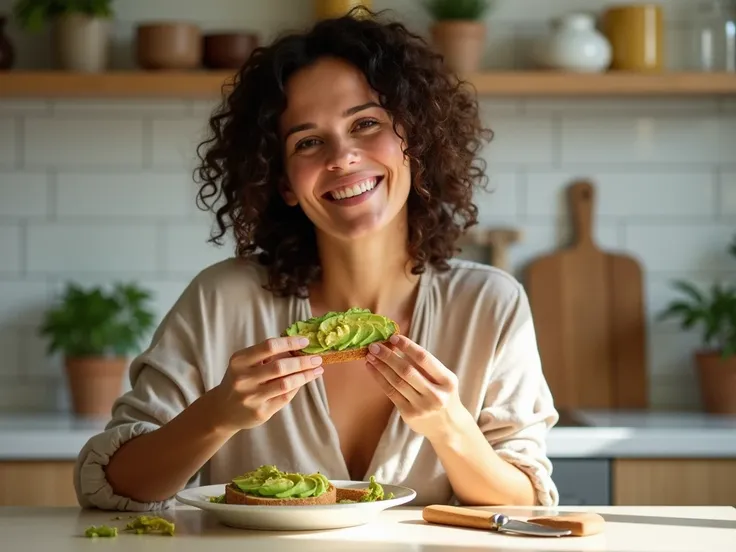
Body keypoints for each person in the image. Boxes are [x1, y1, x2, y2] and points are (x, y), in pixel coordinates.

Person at [73, 8, 560, 511]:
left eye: (366, 123)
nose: (341, 157)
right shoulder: (222, 299)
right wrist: (217, 414)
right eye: (307, 141)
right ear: (282, 181)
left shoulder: (490, 303)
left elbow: (527, 504)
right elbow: (110, 486)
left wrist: (449, 427)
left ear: (414, 142)